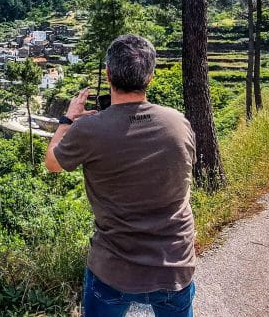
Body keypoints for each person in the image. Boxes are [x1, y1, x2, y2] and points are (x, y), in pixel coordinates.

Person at [44, 34, 197, 317]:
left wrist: (67, 120)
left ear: (108, 74)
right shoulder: (178, 123)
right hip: (175, 263)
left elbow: (52, 163)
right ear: (150, 77)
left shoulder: (89, 129)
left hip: (113, 268)